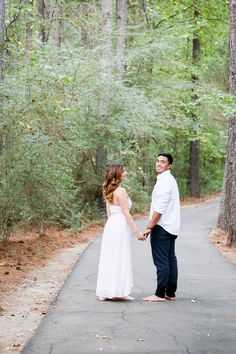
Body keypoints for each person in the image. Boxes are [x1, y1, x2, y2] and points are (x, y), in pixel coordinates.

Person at [96, 163, 145, 301]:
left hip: (111, 224)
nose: (126, 173)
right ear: (118, 173)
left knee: (109, 256)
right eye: (124, 171)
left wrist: (110, 224)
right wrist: (136, 231)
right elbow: (126, 212)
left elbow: (109, 212)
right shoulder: (121, 191)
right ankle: (119, 291)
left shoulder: (107, 189)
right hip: (119, 225)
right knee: (120, 256)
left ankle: (104, 292)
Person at [142, 153, 180, 302]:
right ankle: (170, 292)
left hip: (162, 227)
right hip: (171, 226)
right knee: (170, 259)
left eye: (163, 162)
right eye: (157, 161)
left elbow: (160, 208)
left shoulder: (165, 181)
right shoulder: (169, 180)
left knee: (162, 261)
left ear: (169, 165)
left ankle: (159, 294)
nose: (158, 163)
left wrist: (149, 226)